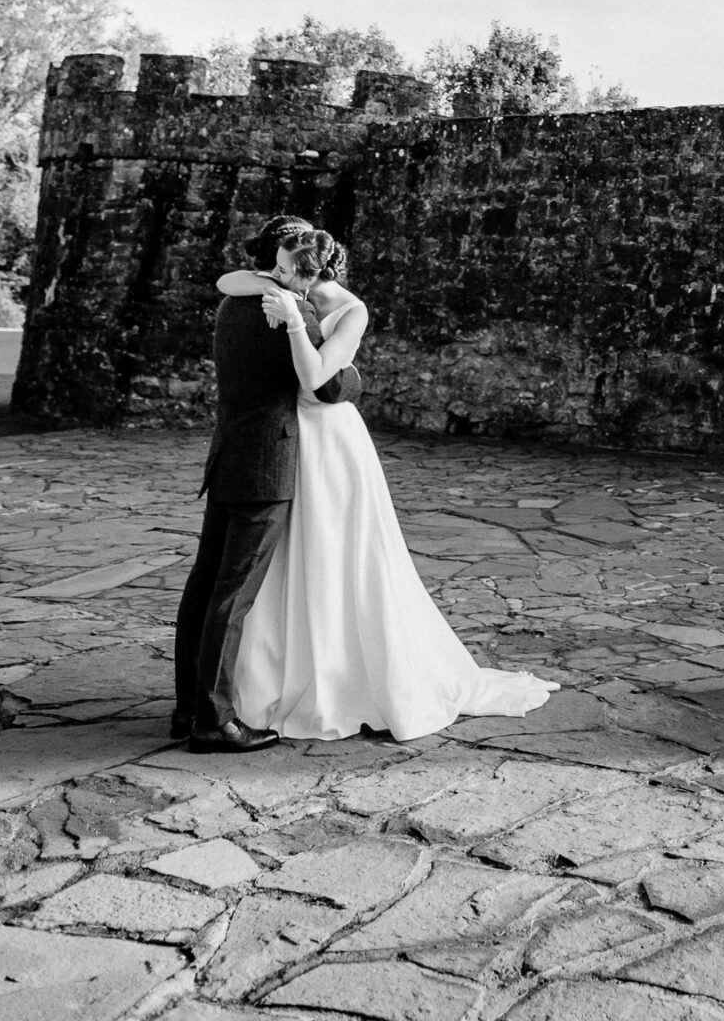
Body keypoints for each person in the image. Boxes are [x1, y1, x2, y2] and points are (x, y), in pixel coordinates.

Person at [215, 225, 559, 741]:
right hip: (290, 442)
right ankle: (272, 675)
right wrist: (279, 288)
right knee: (290, 559)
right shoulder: (286, 285)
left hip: (330, 443)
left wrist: (291, 323)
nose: (275, 274)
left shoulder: (351, 312)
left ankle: (343, 677)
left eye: (286, 269)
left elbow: (316, 380)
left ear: (315, 275)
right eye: (278, 266)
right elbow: (231, 280)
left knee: (339, 555)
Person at [172, 214, 354, 752]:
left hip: (227, 457)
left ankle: (186, 710)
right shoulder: (293, 314)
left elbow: (233, 282)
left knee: (203, 589)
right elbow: (332, 385)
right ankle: (215, 721)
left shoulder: (233, 304)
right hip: (268, 464)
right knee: (232, 597)